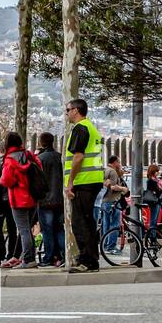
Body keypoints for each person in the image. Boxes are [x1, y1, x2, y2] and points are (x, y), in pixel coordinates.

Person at [64, 98, 105, 273]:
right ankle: (92, 260)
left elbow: (78, 157)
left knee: (80, 223)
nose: (66, 114)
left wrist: (70, 183)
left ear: (75, 111)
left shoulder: (80, 128)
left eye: (67, 110)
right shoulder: (91, 127)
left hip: (83, 181)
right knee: (88, 221)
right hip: (93, 180)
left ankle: (86, 260)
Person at [0, 132, 41, 269]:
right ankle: (26, 257)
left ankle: (28, 259)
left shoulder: (10, 160)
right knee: (27, 229)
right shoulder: (29, 155)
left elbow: (6, 180)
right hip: (33, 196)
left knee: (23, 230)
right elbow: (39, 167)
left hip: (18, 199)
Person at [36, 133, 65, 267]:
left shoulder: (40, 159)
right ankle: (63, 255)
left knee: (47, 230)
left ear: (41, 143)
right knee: (59, 228)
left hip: (45, 200)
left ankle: (49, 257)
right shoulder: (60, 158)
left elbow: (36, 181)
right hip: (60, 199)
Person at [101, 155, 130, 253]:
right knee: (115, 224)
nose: (119, 164)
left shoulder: (105, 170)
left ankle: (104, 245)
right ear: (115, 162)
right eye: (118, 162)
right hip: (113, 201)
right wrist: (123, 189)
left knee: (105, 224)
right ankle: (111, 247)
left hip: (105, 201)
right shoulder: (112, 172)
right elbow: (113, 187)